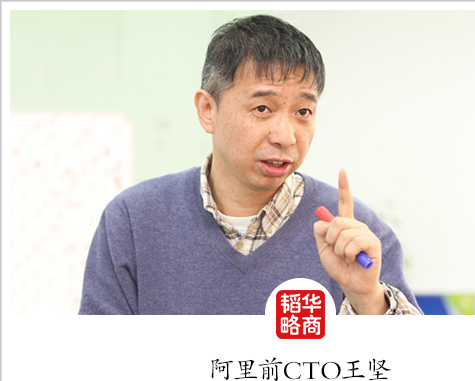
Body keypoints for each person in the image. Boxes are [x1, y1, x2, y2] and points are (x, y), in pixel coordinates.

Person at [79, 14, 422, 315]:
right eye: (262, 109)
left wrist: (367, 300)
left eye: (303, 111)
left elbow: (416, 363)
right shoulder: (133, 221)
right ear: (207, 110)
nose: (286, 136)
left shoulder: (356, 235)